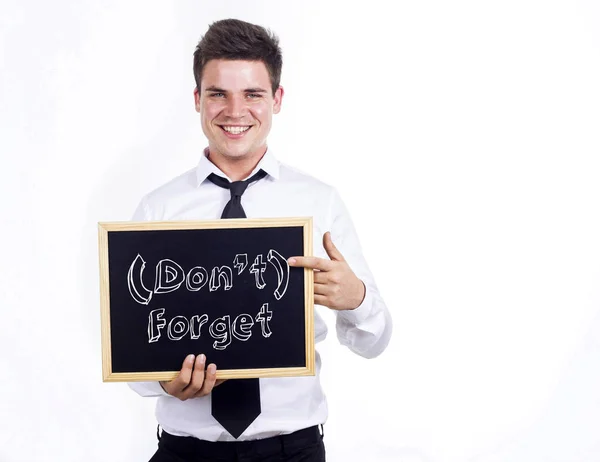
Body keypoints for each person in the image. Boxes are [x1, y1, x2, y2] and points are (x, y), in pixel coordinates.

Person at [128, 18, 392, 462]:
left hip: (293, 451)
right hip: (185, 454)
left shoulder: (319, 202)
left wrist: (357, 298)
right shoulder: (158, 210)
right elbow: (131, 353)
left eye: (252, 94)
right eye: (218, 94)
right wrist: (162, 382)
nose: (235, 111)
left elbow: (375, 340)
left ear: (277, 99)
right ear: (197, 100)